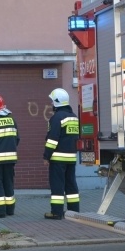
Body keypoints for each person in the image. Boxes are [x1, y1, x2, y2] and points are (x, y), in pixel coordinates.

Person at [43, 88, 80, 219]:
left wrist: (46, 156)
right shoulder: (74, 117)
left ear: (57, 102)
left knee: (57, 185)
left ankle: (56, 212)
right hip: (71, 157)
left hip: (58, 158)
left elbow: (52, 139)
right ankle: (74, 212)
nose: (51, 104)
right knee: (71, 184)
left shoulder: (57, 118)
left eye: (52, 101)